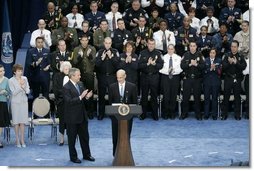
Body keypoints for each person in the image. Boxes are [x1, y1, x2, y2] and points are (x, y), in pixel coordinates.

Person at [63, 68, 95, 163]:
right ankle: (73, 157)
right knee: (72, 139)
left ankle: (87, 155)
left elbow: (83, 100)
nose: (80, 76)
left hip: (82, 116)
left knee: (85, 137)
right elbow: (69, 102)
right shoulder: (66, 87)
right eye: (78, 75)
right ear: (72, 76)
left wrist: (87, 97)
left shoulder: (80, 84)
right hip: (72, 118)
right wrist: (81, 96)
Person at [108, 69, 138, 156]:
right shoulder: (112, 87)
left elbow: (135, 102)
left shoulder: (132, 87)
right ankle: (115, 154)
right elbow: (110, 102)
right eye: (117, 78)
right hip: (115, 117)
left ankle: (126, 153)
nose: (119, 79)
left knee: (126, 135)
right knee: (115, 136)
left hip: (128, 117)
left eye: (121, 78)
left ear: (125, 76)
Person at [138, 38, 163, 120]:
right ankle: (143, 114)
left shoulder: (158, 53)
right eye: (149, 44)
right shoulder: (142, 53)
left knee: (154, 96)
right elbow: (139, 66)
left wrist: (155, 64)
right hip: (144, 76)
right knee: (144, 97)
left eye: (153, 44)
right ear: (147, 44)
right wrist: (147, 64)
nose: (151, 45)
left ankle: (155, 114)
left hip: (154, 77)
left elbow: (161, 65)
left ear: (154, 44)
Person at [95, 37, 120, 120]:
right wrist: (102, 59)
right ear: (103, 43)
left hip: (112, 77)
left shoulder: (115, 52)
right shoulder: (99, 52)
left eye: (109, 43)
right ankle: (101, 114)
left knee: (112, 97)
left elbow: (118, 65)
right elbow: (96, 65)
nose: (107, 45)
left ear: (111, 43)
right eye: (106, 43)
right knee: (101, 96)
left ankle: (112, 114)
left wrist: (111, 57)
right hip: (102, 77)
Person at [221, 40, 246, 120]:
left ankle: (237, 114)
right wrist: (229, 62)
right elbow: (223, 67)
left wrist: (236, 63)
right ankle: (224, 114)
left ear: (238, 47)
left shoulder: (240, 56)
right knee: (226, 97)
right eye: (232, 46)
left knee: (237, 97)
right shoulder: (226, 55)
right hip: (228, 78)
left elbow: (243, 67)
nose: (233, 48)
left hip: (237, 79)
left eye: (235, 47)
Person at [180, 41, 205, 120]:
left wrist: (196, 64)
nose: (192, 47)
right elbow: (182, 66)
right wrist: (190, 64)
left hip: (197, 79)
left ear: (196, 46)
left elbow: (203, 66)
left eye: (194, 46)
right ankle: (184, 114)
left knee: (197, 98)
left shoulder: (200, 55)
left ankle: (198, 114)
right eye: (191, 46)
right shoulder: (185, 55)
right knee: (185, 97)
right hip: (187, 79)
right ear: (189, 47)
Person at [9, 64, 30, 148]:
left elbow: (28, 91)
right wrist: (20, 86)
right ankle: (17, 140)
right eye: (18, 71)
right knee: (16, 122)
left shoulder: (25, 78)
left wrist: (23, 87)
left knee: (22, 122)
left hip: (24, 102)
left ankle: (22, 139)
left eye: (21, 71)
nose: (20, 72)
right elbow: (13, 93)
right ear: (14, 72)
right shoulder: (11, 80)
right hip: (15, 103)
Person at [159, 44, 182, 119]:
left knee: (173, 95)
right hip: (165, 77)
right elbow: (160, 68)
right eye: (169, 49)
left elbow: (181, 69)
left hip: (175, 77)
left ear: (174, 49)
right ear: (167, 49)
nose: (170, 50)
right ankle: (165, 112)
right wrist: (167, 71)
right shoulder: (163, 57)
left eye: (172, 49)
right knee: (166, 96)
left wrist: (174, 71)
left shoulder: (178, 57)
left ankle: (172, 113)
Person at [53, 61, 72, 146]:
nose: (67, 70)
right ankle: (61, 139)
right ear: (62, 69)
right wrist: (65, 93)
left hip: (71, 102)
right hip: (61, 102)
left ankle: (70, 138)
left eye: (68, 69)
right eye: (65, 68)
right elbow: (56, 89)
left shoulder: (72, 77)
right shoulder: (57, 76)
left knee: (70, 121)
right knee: (62, 121)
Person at [203, 48, 222, 120]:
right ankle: (206, 114)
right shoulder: (205, 60)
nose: (212, 54)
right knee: (206, 99)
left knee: (214, 99)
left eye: (213, 53)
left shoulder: (219, 60)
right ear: (209, 53)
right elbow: (203, 71)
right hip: (207, 82)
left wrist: (215, 69)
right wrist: (210, 69)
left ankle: (214, 114)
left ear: (215, 54)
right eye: (211, 52)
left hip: (215, 83)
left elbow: (220, 72)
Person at [0, 65, 11, 148]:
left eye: (3, 70)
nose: (2, 72)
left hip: (2, 103)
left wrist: (5, 92)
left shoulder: (7, 80)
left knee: (1, 124)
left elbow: (9, 93)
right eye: (0, 71)